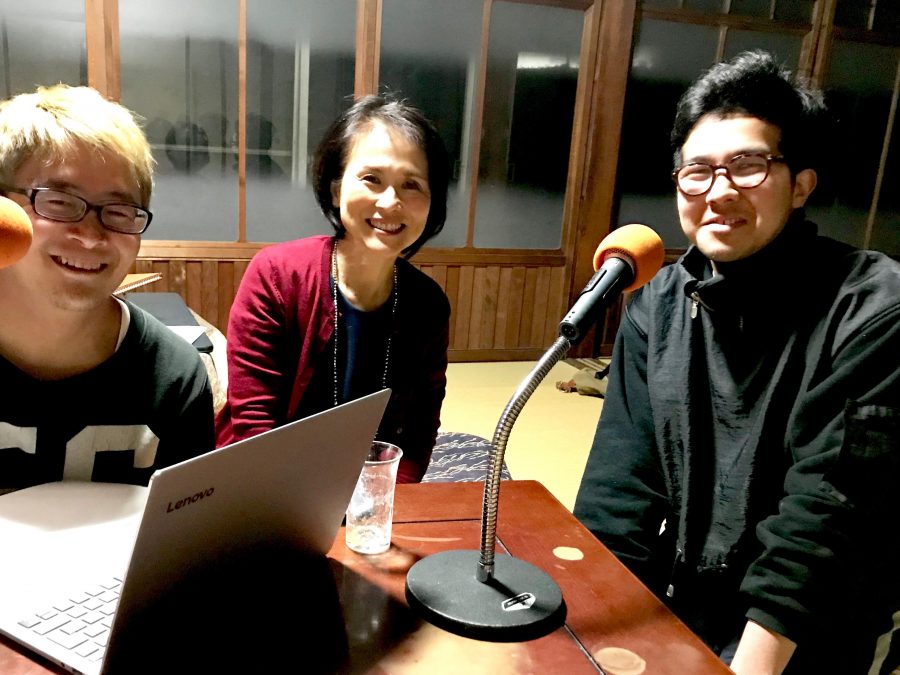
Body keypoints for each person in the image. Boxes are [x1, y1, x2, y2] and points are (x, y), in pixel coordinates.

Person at [574, 51, 900, 675]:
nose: (719, 192)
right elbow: (619, 498)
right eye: (697, 171)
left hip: (812, 627)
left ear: (801, 184)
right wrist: (585, 638)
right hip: (690, 600)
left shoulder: (874, 307)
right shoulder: (659, 304)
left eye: (749, 166)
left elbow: (823, 523)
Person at [217, 95, 451, 483]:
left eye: (411, 184)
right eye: (372, 179)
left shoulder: (428, 305)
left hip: (366, 491)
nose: (391, 202)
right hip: (258, 483)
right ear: (336, 189)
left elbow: (419, 430)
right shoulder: (277, 276)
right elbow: (255, 426)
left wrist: (387, 500)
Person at [0, 84, 215, 494]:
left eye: (119, 211)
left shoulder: (175, 376)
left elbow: (189, 527)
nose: (90, 235)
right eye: (59, 201)